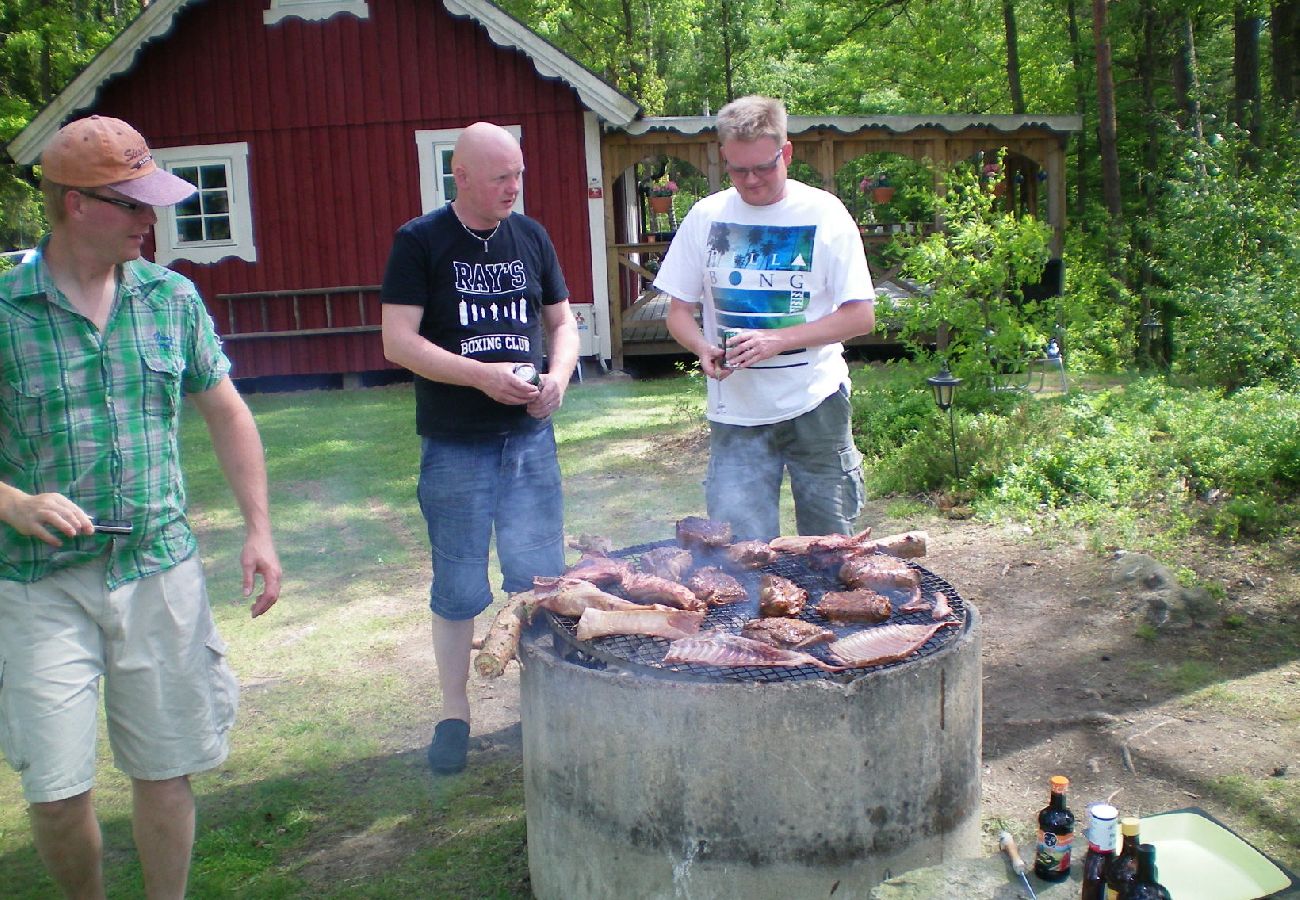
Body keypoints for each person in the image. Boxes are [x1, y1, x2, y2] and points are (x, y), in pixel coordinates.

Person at [0, 115, 282, 899]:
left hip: (159, 570)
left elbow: (226, 412)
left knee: (164, 770)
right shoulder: (3, 309)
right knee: (55, 794)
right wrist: (14, 501)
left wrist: (259, 531)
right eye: (132, 204)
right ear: (74, 205)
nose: (150, 219)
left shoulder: (171, 298)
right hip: (36, 583)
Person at [380, 122, 578, 776]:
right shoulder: (420, 241)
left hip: (529, 443)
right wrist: (481, 376)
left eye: (517, 175)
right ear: (459, 176)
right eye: (500, 177)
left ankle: (542, 708)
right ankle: (454, 712)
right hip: (455, 445)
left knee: (539, 580)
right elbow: (398, 342)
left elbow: (562, 320)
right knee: (458, 584)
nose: (513, 188)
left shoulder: (532, 236)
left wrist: (558, 375)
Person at [655, 96, 876, 541]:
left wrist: (779, 340)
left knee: (829, 547)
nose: (751, 182)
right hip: (735, 413)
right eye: (739, 170)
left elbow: (860, 317)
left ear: (786, 153)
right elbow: (678, 312)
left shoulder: (825, 214)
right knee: (739, 555)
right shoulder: (706, 217)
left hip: (815, 404)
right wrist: (702, 348)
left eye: (763, 168)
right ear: (724, 157)